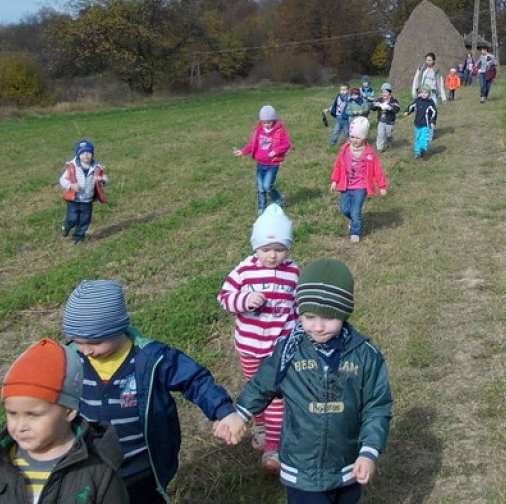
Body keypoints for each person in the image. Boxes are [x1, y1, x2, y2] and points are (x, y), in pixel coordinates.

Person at [61, 280, 247, 503]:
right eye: (78, 342)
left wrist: (224, 411)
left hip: (141, 466)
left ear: (118, 328)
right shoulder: (70, 358)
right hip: (92, 465)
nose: (86, 350)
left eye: (95, 342)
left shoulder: (151, 359)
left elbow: (195, 380)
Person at [234, 258, 392, 503]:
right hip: (302, 470)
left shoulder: (365, 355)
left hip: (347, 465)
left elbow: (376, 406)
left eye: (328, 318)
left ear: (344, 313)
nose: (317, 327)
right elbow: (261, 385)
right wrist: (240, 413)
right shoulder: (288, 351)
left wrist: (369, 452)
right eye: (308, 316)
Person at [0, 338, 129, 504]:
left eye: (32, 415)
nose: (20, 426)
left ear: (69, 411)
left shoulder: (98, 470)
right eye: (12, 413)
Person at [217, 204, 299, 476]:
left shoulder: (293, 272)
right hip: (250, 347)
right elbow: (224, 298)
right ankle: (261, 426)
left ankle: (273, 448)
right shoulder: (244, 271)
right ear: (255, 247)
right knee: (255, 389)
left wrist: (298, 333)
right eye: (266, 249)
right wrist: (244, 301)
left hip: (279, 349)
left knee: (276, 396)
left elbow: (298, 307)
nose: (273, 256)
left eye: (279, 249)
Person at [330, 117, 387, 243]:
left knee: (355, 210)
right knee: (344, 209)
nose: (354, 140)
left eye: (358, 137)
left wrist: (382, 186)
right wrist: (335, 180)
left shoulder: (368, 153)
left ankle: (355, 232)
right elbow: (338, 165)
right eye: (352, 136)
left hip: (361, 186)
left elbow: (377, 169)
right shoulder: (344, 149)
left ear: (364, 138)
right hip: (346, 185)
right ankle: (355, 220)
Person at [234, 104, 292, 215]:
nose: (266, 124)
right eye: (264, 122)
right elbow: (252, 144)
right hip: (260, 164)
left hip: (272, 164)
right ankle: (262, 207)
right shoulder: (259, 130)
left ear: (274, 120)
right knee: (260, 188)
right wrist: (242, 151)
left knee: (267, 186)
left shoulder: (279, 131)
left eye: (269, 122)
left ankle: (278, 198)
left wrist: (276, 151)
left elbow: (286, 144)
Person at [59, 139, 109, 245]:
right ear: (78, 154)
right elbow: (63, 179)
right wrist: (71, 185)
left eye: (89, 153)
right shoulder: (73, 167)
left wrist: (101, 180)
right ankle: (66, 227)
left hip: (87, 199)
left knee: (84, 221)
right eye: (83, 153)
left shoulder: (96, 167)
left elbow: (106, 179)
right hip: (74, 199)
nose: (86, 155)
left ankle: (77, 237)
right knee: (72, 218)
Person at [404, 84, 438, 159]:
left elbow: (434, 112)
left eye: (426, 92)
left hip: (426, 124)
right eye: (422, 92)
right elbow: (411, 106)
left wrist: (432, 121)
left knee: (424, 137)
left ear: (429, 93)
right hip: (417, 124)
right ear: (420, 93)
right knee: (417, 138)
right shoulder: (417, 100)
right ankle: (417, 152)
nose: (424, 94)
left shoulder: (430, 102)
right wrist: (407, 111)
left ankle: (423, 148)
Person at [370, 82, 400, 153]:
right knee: (380, 134)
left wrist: (390, 108)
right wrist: (374, 105)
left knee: (388, 134)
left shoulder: (393, 100)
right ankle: (379, 148)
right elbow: (373, 108)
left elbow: (397, 109)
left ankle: (390, 141)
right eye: (383, 92)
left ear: (389, 93)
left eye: (386, 92)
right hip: (381, 120)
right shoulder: (379, 100)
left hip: (390, 121)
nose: (384, 94)